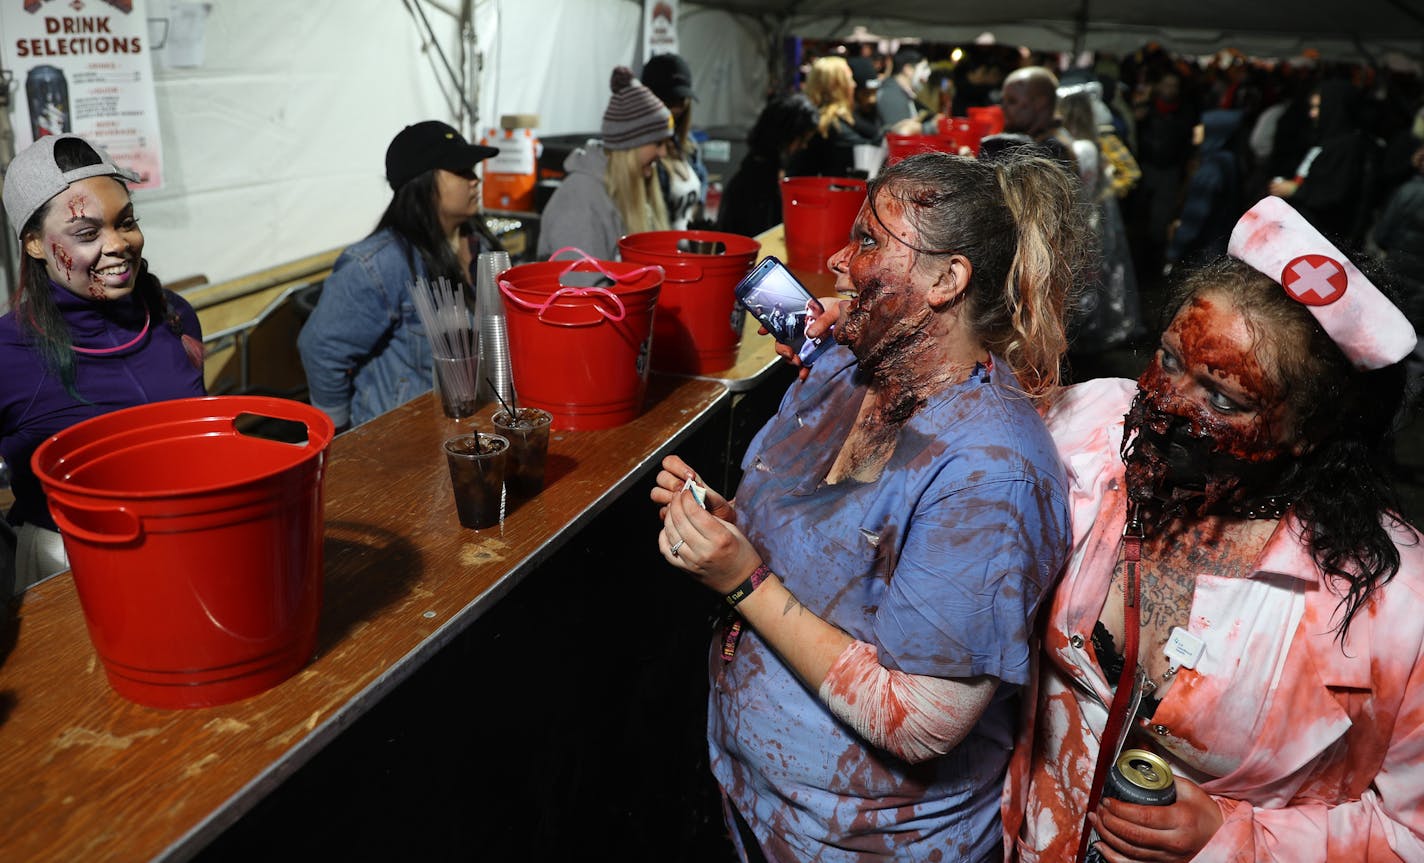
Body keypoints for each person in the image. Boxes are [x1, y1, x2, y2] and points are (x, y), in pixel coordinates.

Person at [649, 151, 1092, 862]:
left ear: (947, 280)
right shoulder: (852, 371)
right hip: (757, 805)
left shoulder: (992, 472)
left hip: (866, 842)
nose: (834, 257)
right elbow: (832, 548)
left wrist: (741, 576)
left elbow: (922, 721)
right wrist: (728, 523)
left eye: (866, 241)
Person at [1003, 196, 1424, 862]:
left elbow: (1411, 832)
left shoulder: (1391, 604)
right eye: (1170, 360)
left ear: (1306, 434)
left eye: (1224, 398)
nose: (1166, 406)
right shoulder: (1086, 432)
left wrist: (1234, 837)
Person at [0, 133, 206, 593]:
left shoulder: (173, 316)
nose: (119, 245)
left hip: (193, 543)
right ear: (35, 244)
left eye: (126, 222)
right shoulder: (7, 353)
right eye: (87, 233)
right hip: (72, 572)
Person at [298, 120, 498, 432]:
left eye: (473, 169)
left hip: (468, 432)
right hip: (398, 447)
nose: (475, 180)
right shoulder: (379, 264)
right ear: (422, 182)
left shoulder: (481, 248)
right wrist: (341, 436)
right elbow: (321, 349)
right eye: (461, 171)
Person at [536, 67, 673, 260]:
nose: (664, 153)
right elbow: (582, 286)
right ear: (629, 145)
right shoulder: (580, 201)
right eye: (658, 143)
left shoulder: (622, 188)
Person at [716, 93, 819, 238]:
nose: (804, 146)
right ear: (785, 135)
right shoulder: (758, 182)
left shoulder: (758, 168)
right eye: (801, 139)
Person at [641, 52, 708, 230]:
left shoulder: (688, 145)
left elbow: (701, 185)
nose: (676, 108)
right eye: (669, 100)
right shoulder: (642, 152)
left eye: (681, 99)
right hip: (661, 251)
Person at [787, 56, 876, 178]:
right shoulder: (829, 124)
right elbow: (867, 148)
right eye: (849, 80)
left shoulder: (816, 117)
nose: (854, 85)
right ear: (837, 86)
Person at [1000, 66, 1076, 167]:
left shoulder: (1052, 148)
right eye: (1003, 101)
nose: (1003, 107)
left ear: (1039, 102)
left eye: (1012, 101)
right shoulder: (1041, 140)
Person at [876, 46, 936, 132]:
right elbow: (901, 133)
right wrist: (930, 128)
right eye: (924, 68)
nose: (927, 74)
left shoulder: (902, 92)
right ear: (908, 69)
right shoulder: (892, 95)